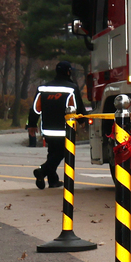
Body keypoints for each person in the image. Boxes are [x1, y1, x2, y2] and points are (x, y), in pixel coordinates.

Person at [30, 60, 86, 189]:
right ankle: (42, 171)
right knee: (61, 153)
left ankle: (53, 180)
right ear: (68, 72)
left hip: (47, 129)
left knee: (52, 152)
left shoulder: (43, 88)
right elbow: (78, 107)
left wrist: (32, 124)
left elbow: (35, 109)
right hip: (64, 129)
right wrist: (82, 122)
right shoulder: (71, 88)